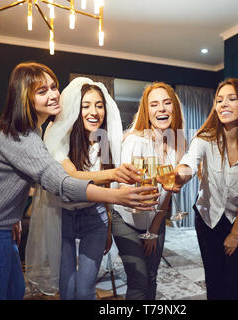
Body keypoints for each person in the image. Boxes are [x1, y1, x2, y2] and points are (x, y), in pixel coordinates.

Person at [0, 62, 158, 300]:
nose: (54, 95)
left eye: (54, 87)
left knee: (14, 291)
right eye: (42, 91)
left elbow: (7, 182)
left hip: (1, 226)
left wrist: (12, 218)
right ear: (24, 98)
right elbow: (62, 182)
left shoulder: (33, 130)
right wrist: (116, 192)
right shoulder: (24, 137)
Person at [26, 77, 140, 299]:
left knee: (86, 287)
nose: (93, 112)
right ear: (74, 110)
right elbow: (72, 177)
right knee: (67, 289)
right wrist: (114, 173)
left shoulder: (105, 141)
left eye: (99, 106)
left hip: (95, 219)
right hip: (62, 218)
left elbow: (105, 190)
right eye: (85, 106)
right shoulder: (59, 138)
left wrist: (107, 228)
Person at [170, 78, 238, 300]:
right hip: (208, 217)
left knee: (235, 279)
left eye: (231, 99)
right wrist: (179, 175)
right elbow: (188, 163)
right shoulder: (205, 139)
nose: (223, 104)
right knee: (214, 279)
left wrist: (235, 233)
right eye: (219, 100)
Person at [112, 82, 186, 300]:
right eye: (154, 104)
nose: (161, 109)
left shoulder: (178, 144)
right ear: (147, 110)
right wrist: (136, 196)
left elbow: (168, 194)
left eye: (166, 103)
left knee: (152, 278)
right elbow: (123, 185)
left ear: (174, 108)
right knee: (138, 281)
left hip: (155, 220)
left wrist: (153, 230)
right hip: (125, 220)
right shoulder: (135, 140)